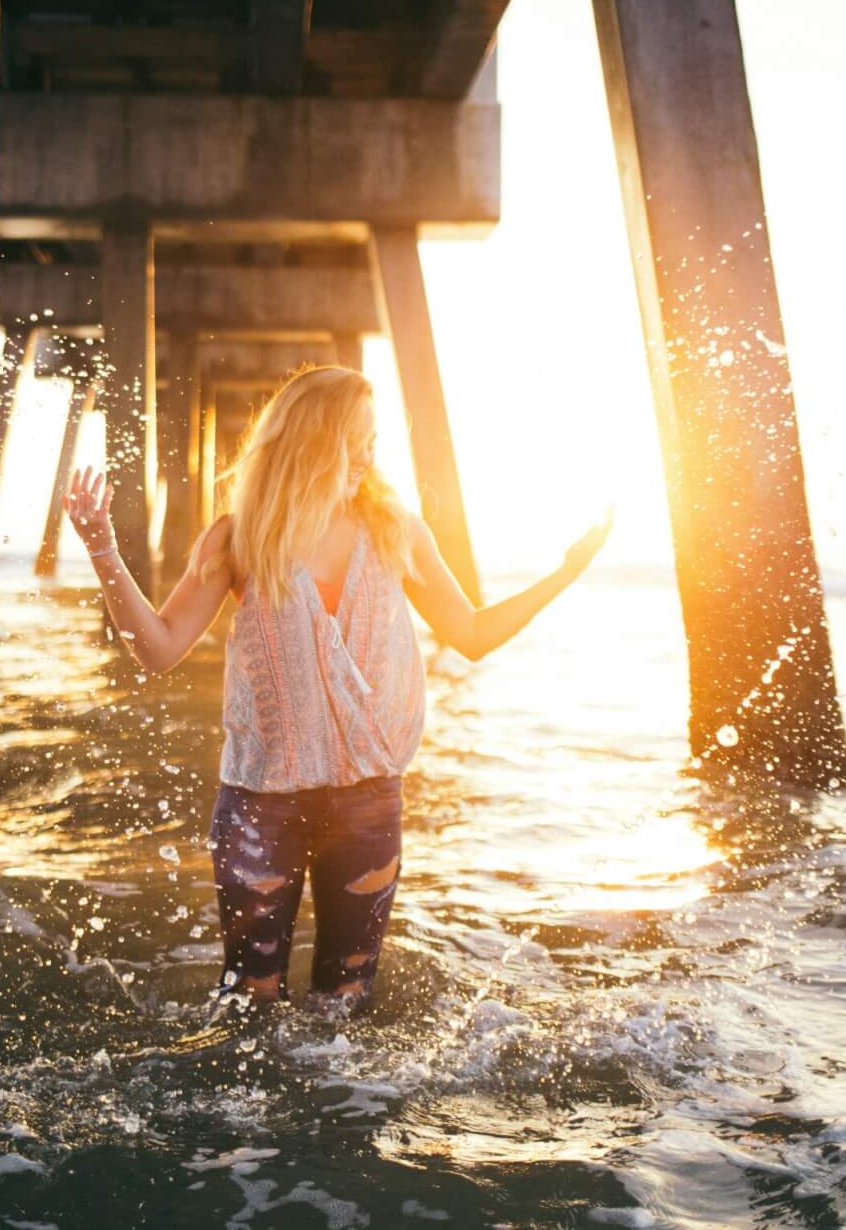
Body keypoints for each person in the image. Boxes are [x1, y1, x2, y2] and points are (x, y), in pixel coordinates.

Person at [63, 364, 611, 1019]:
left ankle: (336, 1120)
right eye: (356, 438)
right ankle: (251, 1122)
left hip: (367, 805)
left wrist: (564, 575)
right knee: (250, 1008)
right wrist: (103, 550)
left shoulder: (395, 531)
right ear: (313, 440)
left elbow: (470, 632)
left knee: (344, 1012)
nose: (368, 456)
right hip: (261, 809)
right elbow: (156, 649)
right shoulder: (241, 538)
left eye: (374, 440)